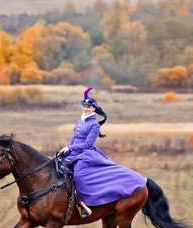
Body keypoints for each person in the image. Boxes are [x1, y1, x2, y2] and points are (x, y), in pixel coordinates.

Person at [60, 87, 147, 217]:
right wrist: (65, 148)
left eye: (88, 107)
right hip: (73, 151)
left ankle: (82, 203)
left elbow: (88, 144)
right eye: (84, 106)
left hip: (85, 154)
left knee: (78, 175)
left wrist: (71, 148)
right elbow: (73, 140)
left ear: (94, 109)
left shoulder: (94, 125)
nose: (85, 109)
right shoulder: (79, 122)